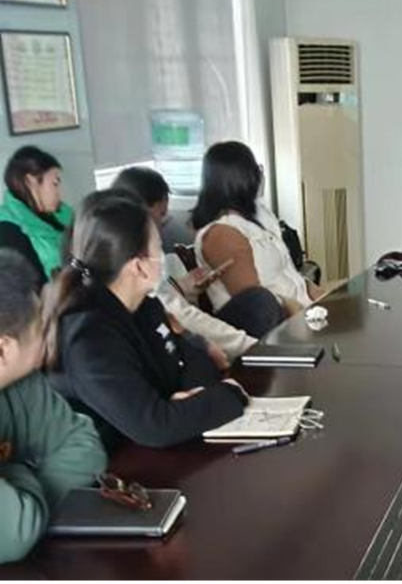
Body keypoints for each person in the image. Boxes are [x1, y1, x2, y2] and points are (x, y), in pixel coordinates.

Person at [44, 190, 248, 450]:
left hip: (156, 451)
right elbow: (156, 426)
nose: (162, 257)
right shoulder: (89, 339)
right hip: (109, 464)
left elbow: (194, 359)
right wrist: (229, 394)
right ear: (138, 266)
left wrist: (189, 403)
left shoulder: (145, 306)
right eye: (158, 249)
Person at [1, 250, 107, 564]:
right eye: (40, 328)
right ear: (3, 349)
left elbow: (85, 446)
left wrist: (23, 501)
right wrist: (18, 468)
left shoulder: (20, 381)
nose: (49, 336)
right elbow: (13, 535)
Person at [113, 166, 280, 357]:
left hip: (178, 329)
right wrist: (253, 347)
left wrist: (182, 288)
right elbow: (183, 316)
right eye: (160, 215)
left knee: (258, 301)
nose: (162, 224)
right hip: (169, 347)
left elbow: (168, 301)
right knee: (260, 306)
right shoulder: (137, 261)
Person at [192, 142, 322, 317]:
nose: (260, 174)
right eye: (256, 169)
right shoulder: (221, 234)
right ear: (243, 177)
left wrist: (321, 296)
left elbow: (289, 276)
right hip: (277, 324)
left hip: (304, 310)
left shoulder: (260, 215)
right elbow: (256, 305)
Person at [0, 146, 73, 286]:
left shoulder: (63, 214)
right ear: (30, 181)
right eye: (55, 183)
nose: (59, 193)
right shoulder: (8, 229)